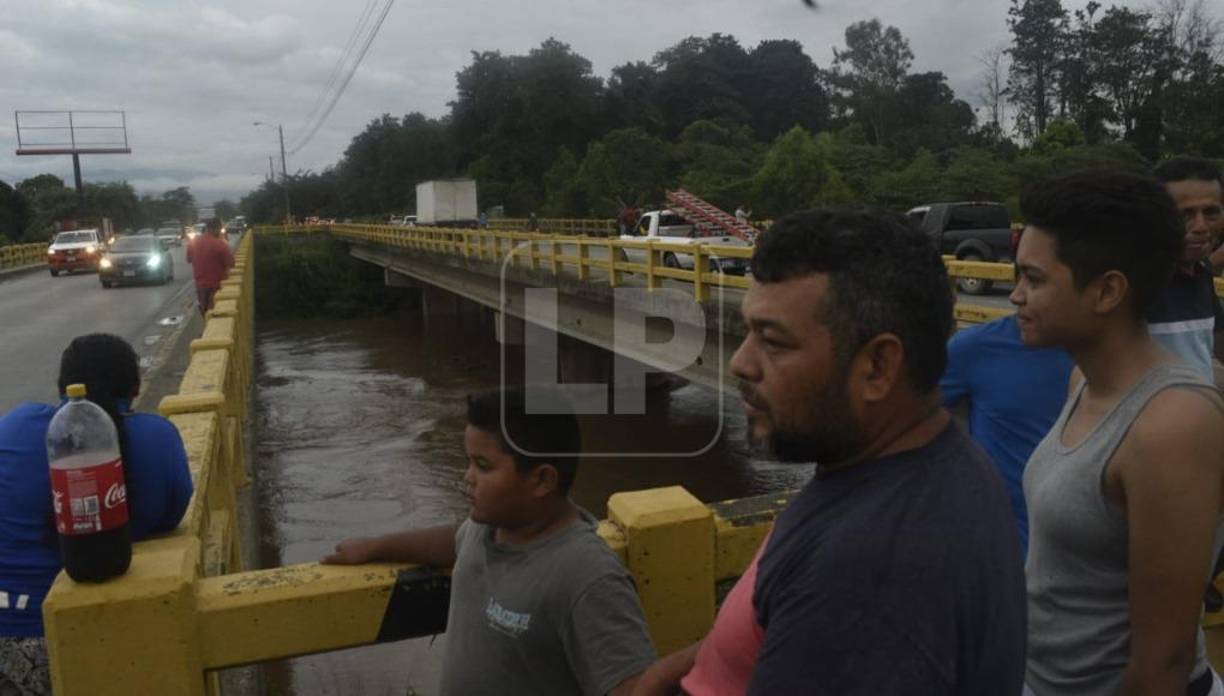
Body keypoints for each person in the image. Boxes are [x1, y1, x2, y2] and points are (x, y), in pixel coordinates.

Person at [638, 209, 1026, 695]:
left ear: (878, 367)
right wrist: (671, 672)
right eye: (748, 331)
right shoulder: (921, 463)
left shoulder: (866, 578)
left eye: (773, 342)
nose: (740, 361)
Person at [1013, 170, 1224, 696]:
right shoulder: (1083, 381)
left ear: (1107, 290)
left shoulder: (1170, 425)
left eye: (1035, 280)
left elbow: (1164, 661)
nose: (1015, 296)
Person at [322, 389, 655, 696]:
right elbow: (454, 542)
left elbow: (633, 688)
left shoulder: (587, 577)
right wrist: (374, 547)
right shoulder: (489, 528)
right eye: (468, 461)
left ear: (542, 480)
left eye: (482, 466)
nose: (467, 476)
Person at [0, 334, 194, 695]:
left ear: (63, 386)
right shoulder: (157, 438)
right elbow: (169, 518)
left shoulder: (16, 425)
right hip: (86, 635)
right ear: (135, 387)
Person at [940, 313, 1074, 550]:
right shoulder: (976, 348)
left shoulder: (1125, 360)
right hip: (1004, 561)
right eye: (1019, 277)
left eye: (1036, 279)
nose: (1017, 294)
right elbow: (905, 418)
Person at [1148, 157, 1224, 380]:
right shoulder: (1132, 283)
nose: (1201, 226)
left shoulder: (1201, 273)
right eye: (1184, 215)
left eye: (1211, 212)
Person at [185, 217, 235, 317]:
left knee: (205, 314)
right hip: (217, 286)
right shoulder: (221, 244)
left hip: (200, 286)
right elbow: (231, 263)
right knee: (216, 315)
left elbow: (188, 260)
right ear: (217, 229)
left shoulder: (193, 242)